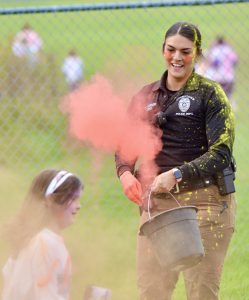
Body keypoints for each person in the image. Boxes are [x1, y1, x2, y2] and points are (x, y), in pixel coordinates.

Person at [115, 22, 236, 300]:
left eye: (185, 51)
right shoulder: (146, 97)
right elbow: (125, 146)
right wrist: (124, 172)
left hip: (207, 202)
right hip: (157, 203)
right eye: (171, 50)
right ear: (163, 50)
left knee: (201, 292)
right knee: (151, 290)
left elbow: (221, 153)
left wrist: (178, 174)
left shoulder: (211, 94)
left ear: (198, 53)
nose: (177, 58)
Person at [1, 169, 83, 300]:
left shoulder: (38, 239)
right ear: (50, 200)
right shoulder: (44, 243)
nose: (79, 206)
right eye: (72, 199)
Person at [196, 36, 238, 108]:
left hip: (218, 78)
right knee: (227, 96)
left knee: (217, 98)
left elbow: (215, 63)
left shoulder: (215, 50)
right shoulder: (229, 50)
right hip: (230, 78)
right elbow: (235, 61)